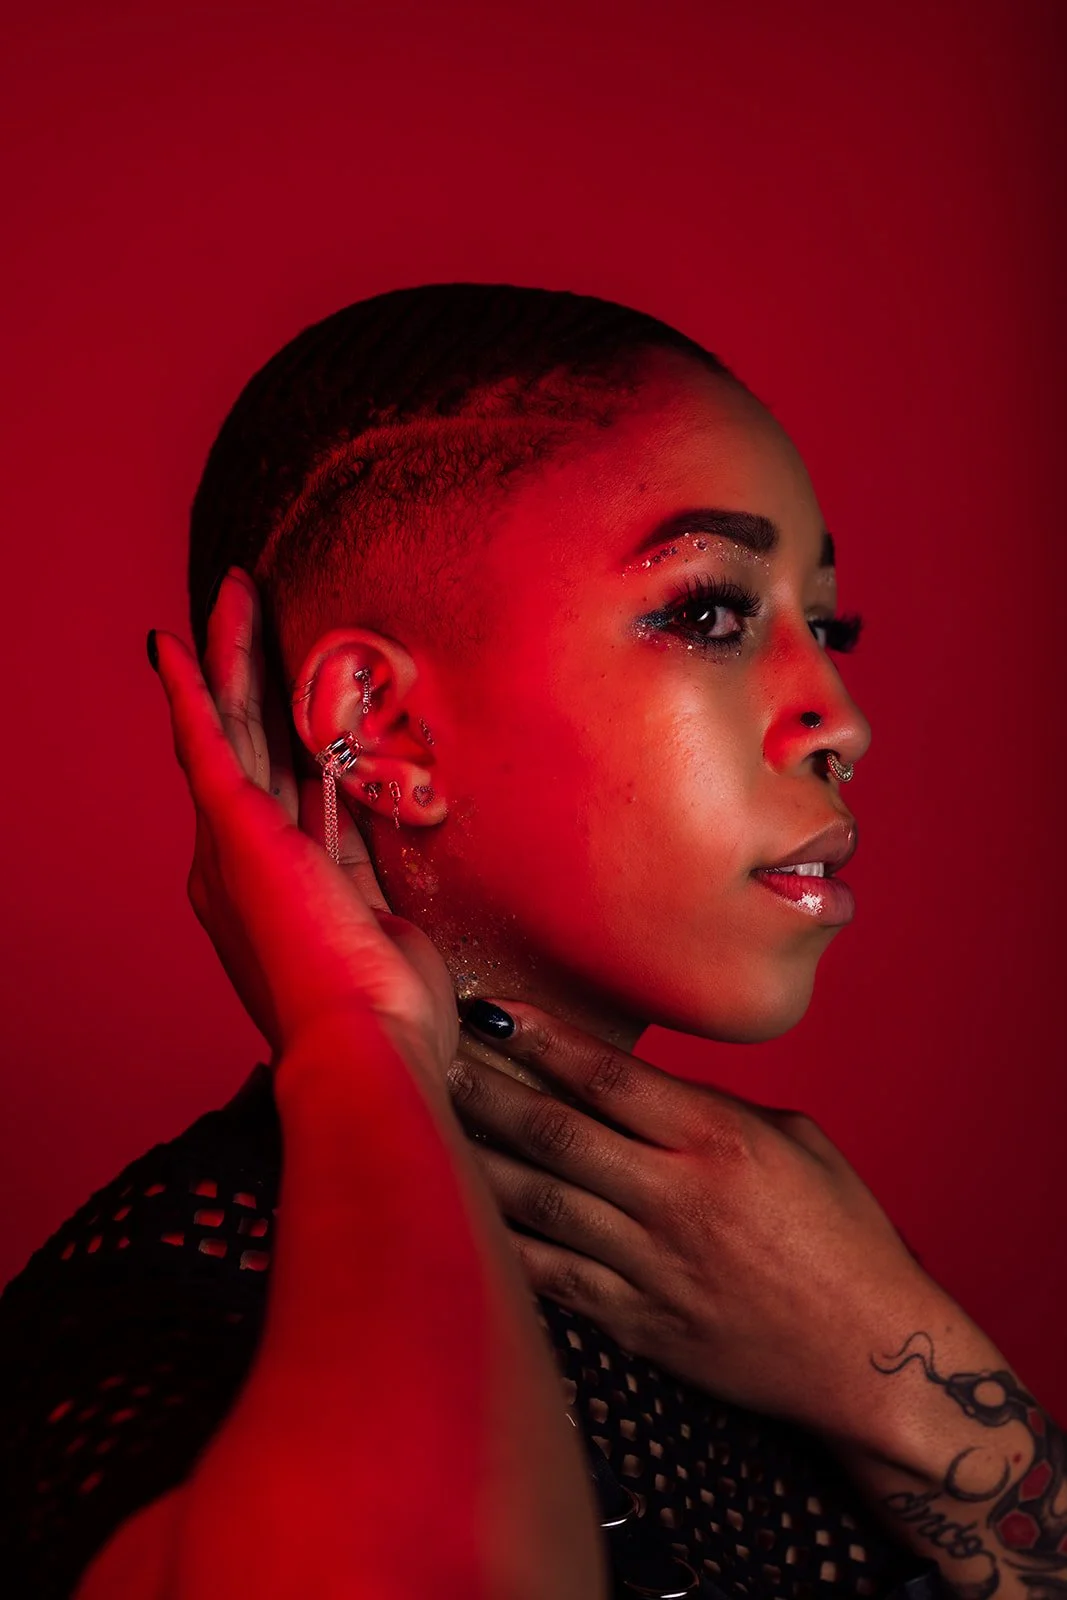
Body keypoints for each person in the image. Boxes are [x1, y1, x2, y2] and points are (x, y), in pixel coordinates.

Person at [1, 283, 1061, 1600]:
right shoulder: (150, 1330)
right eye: (711, 614)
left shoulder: (784, 1278)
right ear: (380, 729)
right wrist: (366, 1042)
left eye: (825, 625)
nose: (839, 719)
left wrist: (899, 1365)